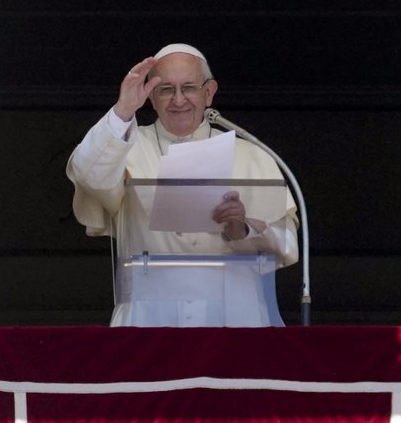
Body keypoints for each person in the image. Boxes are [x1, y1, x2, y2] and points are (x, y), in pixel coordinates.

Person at [66, 43, 298, 327]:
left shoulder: (252, 155)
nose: (178, 100)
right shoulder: (126, 145)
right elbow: (88, 173)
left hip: (236, 317)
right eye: (165, 89)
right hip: (149, 316)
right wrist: (122, 110)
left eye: (188, 87)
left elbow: (287, 244)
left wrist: (244, 228)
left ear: (208, 93)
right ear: (150, 95)